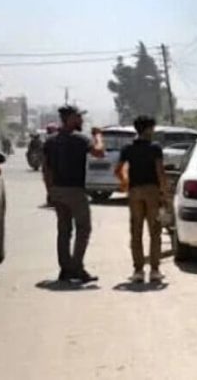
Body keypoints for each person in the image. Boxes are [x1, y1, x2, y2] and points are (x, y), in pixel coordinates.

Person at [43, 105, 105, 283]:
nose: (81, 120)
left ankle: (65, 269)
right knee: (83, 228)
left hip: (57, 190)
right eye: (78, 116)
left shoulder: (51, 141)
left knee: (64, 231)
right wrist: (98, 135)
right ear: (70, 118)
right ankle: (77, 267)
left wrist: (50, 191)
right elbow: (99, 152)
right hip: (75, 191)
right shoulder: (80, 139)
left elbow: (46, 169)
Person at [115, 115, 168, 283]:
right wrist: (164, 193)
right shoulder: (155, 148)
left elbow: (118, 170)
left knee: (136, 231)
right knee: (155, 231)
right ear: (147, 129)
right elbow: (160, 172)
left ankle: (138, 270)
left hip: (135, 191)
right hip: (152, 190)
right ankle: (154, 270)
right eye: (152, 128)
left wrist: (125, 183)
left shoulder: (128, 148)